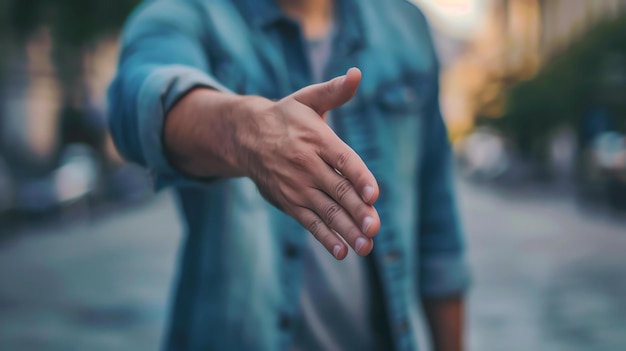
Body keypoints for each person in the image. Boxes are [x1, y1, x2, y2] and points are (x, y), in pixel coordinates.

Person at [108, 0, 470, 350]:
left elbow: (437, 232)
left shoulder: (405, 27)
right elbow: (135, 99)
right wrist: (244, 134)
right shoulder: (186, 13)